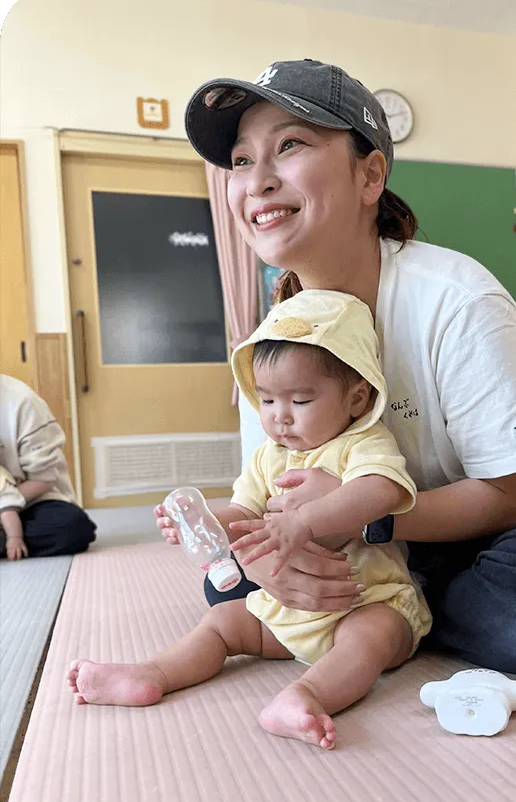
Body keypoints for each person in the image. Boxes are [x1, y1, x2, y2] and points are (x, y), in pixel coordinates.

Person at [176, 58, 516, 676]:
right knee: (229, 582)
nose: (255, 180)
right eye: (239, 160)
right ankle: (387, 614)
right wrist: (271, 560)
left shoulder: (456, 298)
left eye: (289, 145)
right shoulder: (276, 331)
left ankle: (385, 617)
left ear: (370, 177)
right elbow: (266, 492)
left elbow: (506, 498)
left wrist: (355, 517)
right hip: (383, 543)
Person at [67, 290, 431, 750]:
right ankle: (152, 673)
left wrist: (305, 521)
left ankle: (305, 697)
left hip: (365, 601)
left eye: (300, 401)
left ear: (356, 398)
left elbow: (382, 490)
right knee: (222, 621)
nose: (279, 418)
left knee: (372, 637)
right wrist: (200, 521)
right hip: (284, 609)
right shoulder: (268, 457)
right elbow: (243, 513)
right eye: (267, 400)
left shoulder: (363, 443)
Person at [0, 374, 96, 559]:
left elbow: (43, 480)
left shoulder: (22, 403)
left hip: (32, 500)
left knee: (72, 528)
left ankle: (12, 538)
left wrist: (6, 502)